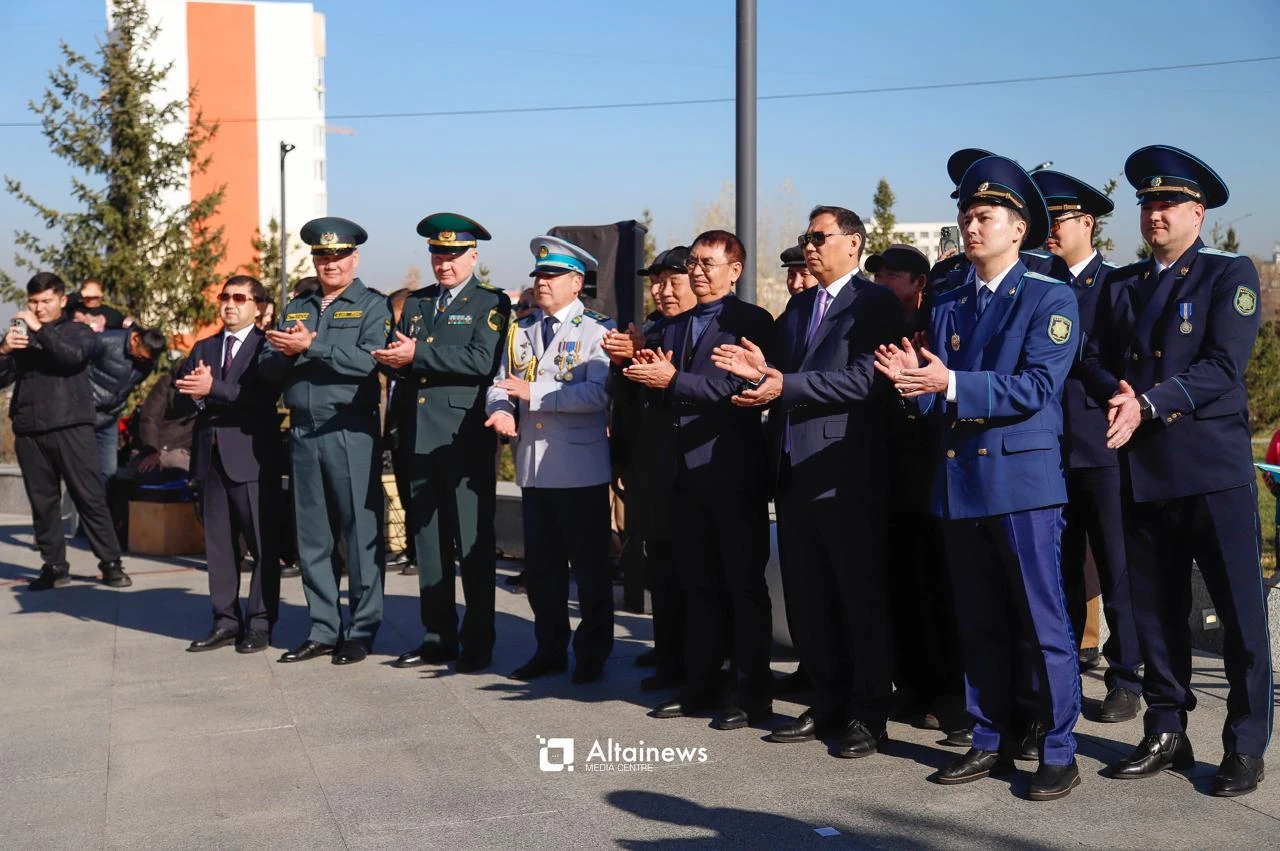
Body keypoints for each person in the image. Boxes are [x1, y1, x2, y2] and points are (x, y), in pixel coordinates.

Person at [876, 154, 1082, 800]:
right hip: (961, 481)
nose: (971, 225)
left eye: (985, 215)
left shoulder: (1050, 296)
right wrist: (913, 387)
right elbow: (938, 394)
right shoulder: (950, 300)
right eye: (966, 214)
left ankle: (1058, 748)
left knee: (1042, 624)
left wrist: (948, 383)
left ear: (1018, 229)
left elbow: (1038, 386)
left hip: (1021, 485)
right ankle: (989, 737)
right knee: (978, 621)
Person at [1082, 145, 1271, 797]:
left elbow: (1222, 366)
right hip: (1143, 469)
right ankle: (1166, 728)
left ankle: (1244, 743)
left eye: (1167, 203)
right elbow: (1092, 357)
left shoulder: (1227, 273)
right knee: (1156, 613)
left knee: (1240, 615)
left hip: (1211, 472)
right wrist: (1116, 391)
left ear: (1198, 212)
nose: (1155, 214)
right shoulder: (1123, 284)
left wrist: (1148, 401)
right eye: (1147, 204)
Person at [712, 206, 902, 759]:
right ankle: (827, 702)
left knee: (859, 600)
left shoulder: (874, 303)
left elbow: (864, 379)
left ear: (854, 243)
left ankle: (869, 714)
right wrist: (757, 371)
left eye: (819, 237)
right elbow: (776, 373)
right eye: (806, 237)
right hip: (793, 472)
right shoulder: (799, 305)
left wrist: (782, 385)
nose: (810, 247)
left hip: (847, 474)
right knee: (808, 600)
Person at [627, 232, 775, 730]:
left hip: (731, 473)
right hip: (683, 475)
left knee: (743, 587)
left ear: (735, 270)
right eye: (692, 263)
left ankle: (751, 693)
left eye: (708, 263)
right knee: (699, 585)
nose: (697, 272)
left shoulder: (750, 321)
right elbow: (661, 397)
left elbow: (736, 388)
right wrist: (644, 372)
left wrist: (671, 381)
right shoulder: (673, 326)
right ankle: (701, 684)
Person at [373, 213, 510, 674]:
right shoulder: (417, 302)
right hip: (418, 435)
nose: (444, 264)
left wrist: (418, 354)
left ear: (473, 256)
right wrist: (392, 359)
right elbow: (406, 356)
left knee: (472, 543)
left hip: (463, 437)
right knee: (428, 543)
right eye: (437, 255)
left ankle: (478, 640)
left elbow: (483, 359)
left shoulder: (490, 302)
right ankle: (437, 636)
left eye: (453, 255)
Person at [1032, 168, 1142, 722]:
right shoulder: (1035, 283)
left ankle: (1126, 676)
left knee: (1117, 566)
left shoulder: (1117, 285)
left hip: (1102, 445)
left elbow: (1126, 366)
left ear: (1088, 223)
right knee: (1061, 569)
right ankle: (1064, 674)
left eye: (1061, 219)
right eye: (1045, 220)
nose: (1051, 229)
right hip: (1046, 447)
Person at [259, 216, 391, 666]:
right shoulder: (298, 306)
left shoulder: (372, 305)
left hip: (349, 429)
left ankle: (362, 628)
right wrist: (281, 352)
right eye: (322, 256)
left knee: (359, 534)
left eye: (338, 256)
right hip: (303, 430)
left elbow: (368, 360)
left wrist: (310, 348)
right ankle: (322, 628)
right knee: (312, 535)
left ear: (354, 258)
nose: (330, 263)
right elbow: (267, 363)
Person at [484, 235, 614, 684]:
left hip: (579, 470)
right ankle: (549, 649)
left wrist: (533, 393)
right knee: (542, 571)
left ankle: (593, 654)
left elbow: (597, 395)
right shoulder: (520, 329)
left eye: (553, 275)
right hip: (534, 470)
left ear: (577, 282)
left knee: (590, 570)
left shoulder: (598, 329)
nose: (542, 282)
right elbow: (501, 383)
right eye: (539, 274)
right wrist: (501, 410)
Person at [865, 242, 967, 740]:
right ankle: (910, 685)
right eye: (877, 276)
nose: (882, 284)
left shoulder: (936, 324)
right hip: (889, 473)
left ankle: (949, 693)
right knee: (900, 586)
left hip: (933, 469)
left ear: (918, 283)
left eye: (891, 276)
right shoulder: (877, 328)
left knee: (939, 588)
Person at [603, 246, 696, 690]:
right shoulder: (653, 331)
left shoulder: (706, 330)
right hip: (650, 468)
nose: (662, 291)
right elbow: (626, 403)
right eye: (656, 283)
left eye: (672, 282)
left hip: (694, 470)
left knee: (693, 571)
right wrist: (621, 364)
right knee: (660, 565)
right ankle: (668, 652)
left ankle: (697, 660)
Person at [0, 272, 130, 589]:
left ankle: (111, 563)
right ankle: (54, 566)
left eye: (46, 301)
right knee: (42, 502)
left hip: (71, 425)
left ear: (61, 300)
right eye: (33, 302)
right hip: (30, 428)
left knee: (89, 496)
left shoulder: (78, 331)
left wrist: (39, 329)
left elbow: (71, 357)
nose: (39, 308)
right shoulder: (22, 335)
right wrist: (4, 350)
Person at [176, 275, 282, 654]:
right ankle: (225, 620)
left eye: (239, 298)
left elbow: (261, 398)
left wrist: (213, 389)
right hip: (211, 458)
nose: (230, 304)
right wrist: (196, 394)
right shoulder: (204, 347)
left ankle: (260, 623)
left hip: (252, 456)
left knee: (262, 545)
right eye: (225, 297)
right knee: (219, 546)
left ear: (258, 306)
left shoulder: (267, 347)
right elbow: (182, 399)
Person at [87, 325, 167, 482]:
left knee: (108, 470)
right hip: (86, 412)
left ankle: (101, 498)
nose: (143, 361)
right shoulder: (106, 341)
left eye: (148, 359)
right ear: (135, 339)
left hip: (110, 417)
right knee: (81, 467)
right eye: (141, 356)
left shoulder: (148, 361)